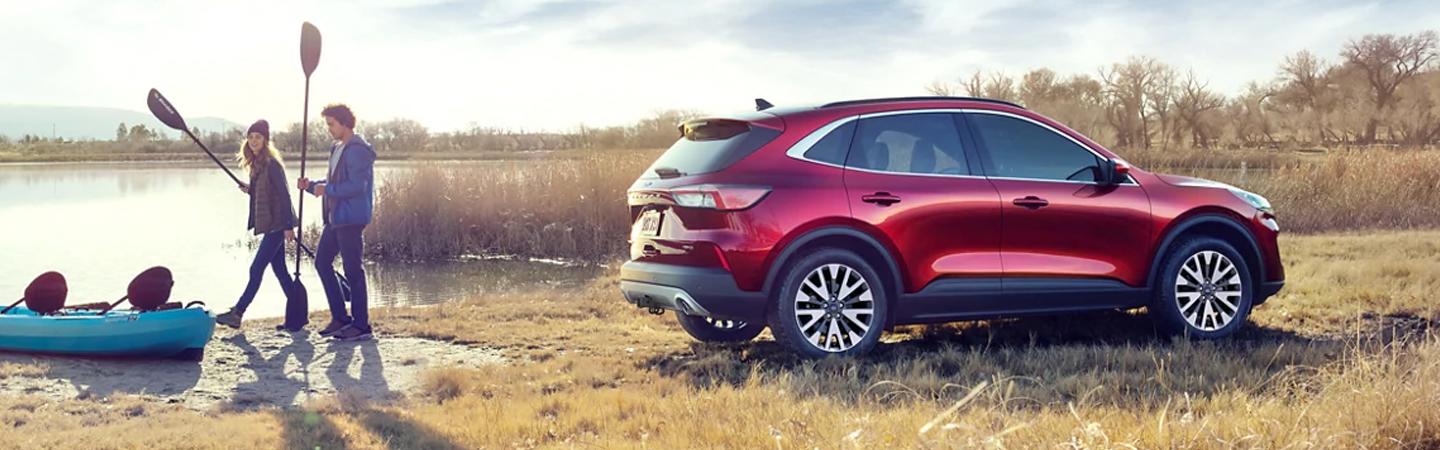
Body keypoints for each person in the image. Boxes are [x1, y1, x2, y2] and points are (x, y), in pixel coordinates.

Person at [298, 104, 376, 341]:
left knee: (353, 270)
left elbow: (357, 186)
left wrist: (327, 189)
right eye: (327, 124)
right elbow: (334, 181)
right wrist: (311, 186)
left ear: (344, 123)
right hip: (335, 218)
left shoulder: (358, 149)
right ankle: (341, 318)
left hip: (351, 218)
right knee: (322, 263)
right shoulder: (337, 148)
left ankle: (361, 325)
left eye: (331, 124)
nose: (329, 129)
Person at [216, 120, 304, 330]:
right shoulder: (257, 164)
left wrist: (288, 225)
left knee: (256, 269)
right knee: (281, 271)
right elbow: (267, 193)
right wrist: (251, 189)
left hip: (277, 225)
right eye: (251, 137)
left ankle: (237, 313)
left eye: (258, 137)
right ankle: (298, 316)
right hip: (271, 225)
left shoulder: (272, 164)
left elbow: (284, 194)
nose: (254, 140)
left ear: (265, 140)